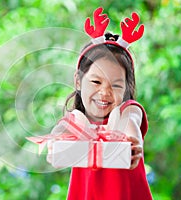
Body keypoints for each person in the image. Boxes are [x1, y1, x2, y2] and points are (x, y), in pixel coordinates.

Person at [48, 7, 153, 200]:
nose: (105, 92)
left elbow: (131, 124)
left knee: (116, 117)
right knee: (77, 118)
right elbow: (60, 134)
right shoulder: (76, 121)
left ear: (127, 89)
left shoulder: (127, 110)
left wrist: (133, 141)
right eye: (96, 82)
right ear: (78, 81)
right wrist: (54, 143)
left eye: (116, 85)